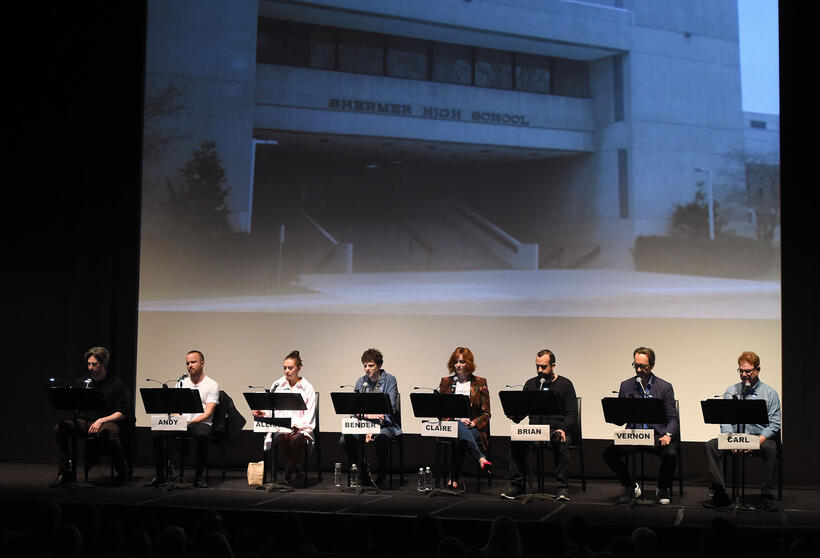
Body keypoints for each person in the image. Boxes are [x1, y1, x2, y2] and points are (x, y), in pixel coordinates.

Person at [703, 351, 781, 510]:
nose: (744, 374)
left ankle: (766, 495)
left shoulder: (770, 393)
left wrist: (758, 441)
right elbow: (725, 420)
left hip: (758, 438)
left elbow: (774, 423)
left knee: (771, 449)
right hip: (735, 437)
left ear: (757, 370)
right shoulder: (731, 390)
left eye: (748, 371)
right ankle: (720, 493)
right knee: (711, 445)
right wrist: (730, 439)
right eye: (741, 371)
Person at [602, 346, 678, 505]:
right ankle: (630, 485)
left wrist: (668, 435)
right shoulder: (626, 385)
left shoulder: (664, 387)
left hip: (656, 435)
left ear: (652, 365)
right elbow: (621, 419)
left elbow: (672, 418)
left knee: (670, 453)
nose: (638, 369)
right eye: (635, 365)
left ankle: (662, 487)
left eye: (643, 366)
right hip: (634, 434)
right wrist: (613, 415)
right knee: (609, 452)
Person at [502, 349, 578, 501]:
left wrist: (563, 429)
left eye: (544, 367)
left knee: (560, 441)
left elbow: (572, 413)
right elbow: (521, 413)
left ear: (553, 365)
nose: (540, 370)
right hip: (535, 431)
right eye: (537, 366)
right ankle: (517, 486)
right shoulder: (531, 384)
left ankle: (562, 488)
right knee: (515, 441)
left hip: (555, 430)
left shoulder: (565, 384)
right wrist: (513, 414)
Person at [52, 346, 129, 486]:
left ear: (103, 364)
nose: (90, 367)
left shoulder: (115, 383)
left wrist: (101, 420)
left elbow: (122, 413)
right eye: (89, 364)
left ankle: (122, 470)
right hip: (85, 421)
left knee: (108, 434)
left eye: (94, 364)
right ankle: (65, 472)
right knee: (60, 428)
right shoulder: (82, 382)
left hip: (107, 420)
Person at [151, 349, 219, 488]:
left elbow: (208, 412)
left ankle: (198, 476)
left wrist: (190, 421)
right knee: (157, 433)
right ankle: (160, 475)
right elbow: (174, 410)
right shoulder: (181, 383)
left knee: (203, 435)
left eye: (193, 362)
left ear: (202, 363)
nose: (190, 365)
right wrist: (180, 420)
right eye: (187, 363)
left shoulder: (212, 384)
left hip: (200, 422)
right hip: (183, 422)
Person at [340, 348, 401, 488]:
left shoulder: (389, 380)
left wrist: (374, 424)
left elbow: (390, 408)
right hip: (364, 424)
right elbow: (354, 409)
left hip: (385, 424)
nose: (367, 369)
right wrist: (368, 418)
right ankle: (363, 469)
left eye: (371, 365)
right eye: (365, 365)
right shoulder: (360, 382)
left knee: (380, 438)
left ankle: (382, 475)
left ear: (379, 365)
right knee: (345, 439)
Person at [252, 350, 316, 483]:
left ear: (299, 368)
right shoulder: (278, 385)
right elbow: (272, 409)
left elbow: (310, 414)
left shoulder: (307, 387)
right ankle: (296, 468)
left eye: (290, 368)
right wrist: (263, 413)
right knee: (281, 437)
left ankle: (288, 470)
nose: (287, 371)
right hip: (282, 426)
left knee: (298, 439)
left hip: (300, 427)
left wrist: (299, 427)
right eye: (285, 368)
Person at [437, 347, 492, 488]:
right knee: (458, 429)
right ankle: (480, 457)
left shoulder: (480, 383)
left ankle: (453, 479)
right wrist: (457, 420)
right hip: (451, 425)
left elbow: (486, 414)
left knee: (461, 437)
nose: (458, 365)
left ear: (468, 363)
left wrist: (473, 422)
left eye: (461, 362)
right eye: (455, 362)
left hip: (473, 428)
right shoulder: (446, 382)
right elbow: (441, 410)